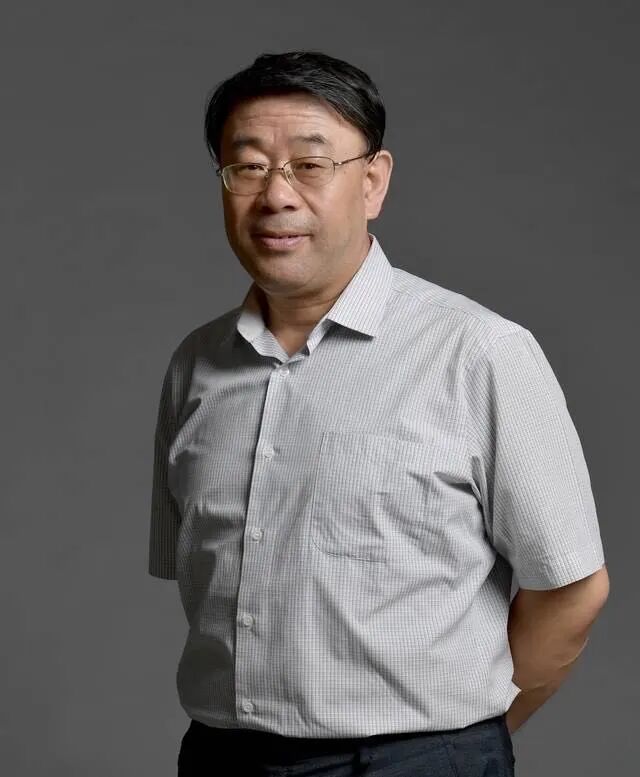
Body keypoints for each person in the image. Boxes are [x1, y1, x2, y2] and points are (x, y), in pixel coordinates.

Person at [148, 50, 609, 777]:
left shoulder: (478, 352)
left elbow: (572, 588)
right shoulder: (196, 366)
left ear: (372, 181)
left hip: (414, 759)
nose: (276, 195)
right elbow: (198, 581)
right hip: (219, 757)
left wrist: (463, 736)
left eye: (310, 164)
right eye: (248, 166)